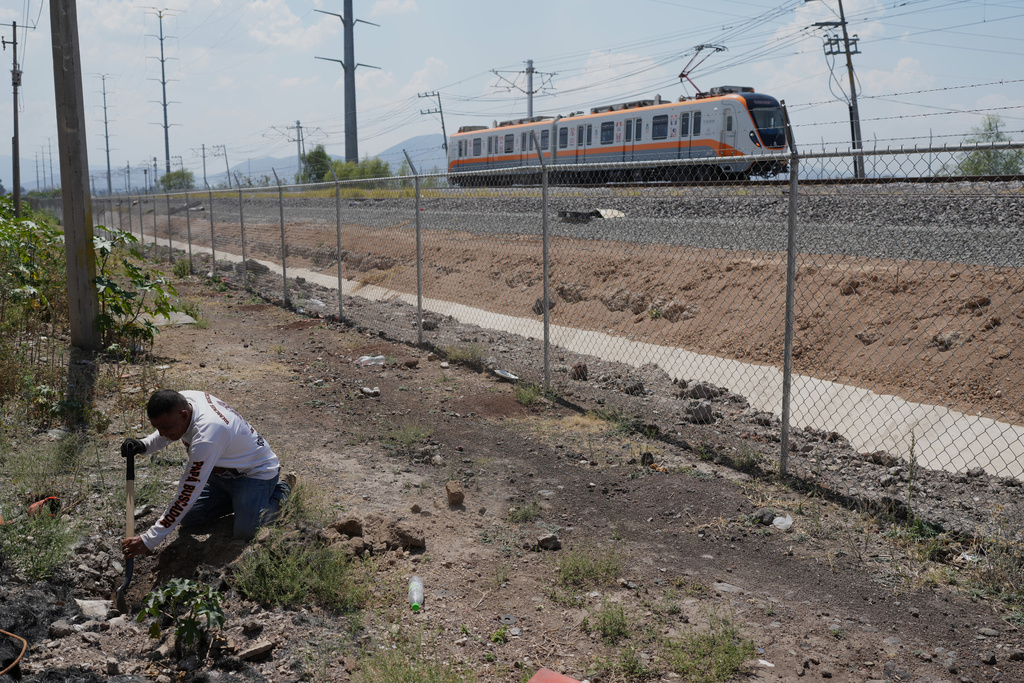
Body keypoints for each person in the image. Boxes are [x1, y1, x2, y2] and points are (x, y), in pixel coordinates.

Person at [120, 389, 291, 560]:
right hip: (221, 473)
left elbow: (187, 493)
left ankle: (282, 490)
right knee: (186, 517)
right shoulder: (184, 400)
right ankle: (240, 501)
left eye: (166, 428)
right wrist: (143, 445)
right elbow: (166, 430)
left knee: (247, 531)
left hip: (254, 473)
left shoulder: (207, 436)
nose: (163, 434)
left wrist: (149, 540)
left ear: (184, 415)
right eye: (158, 428)